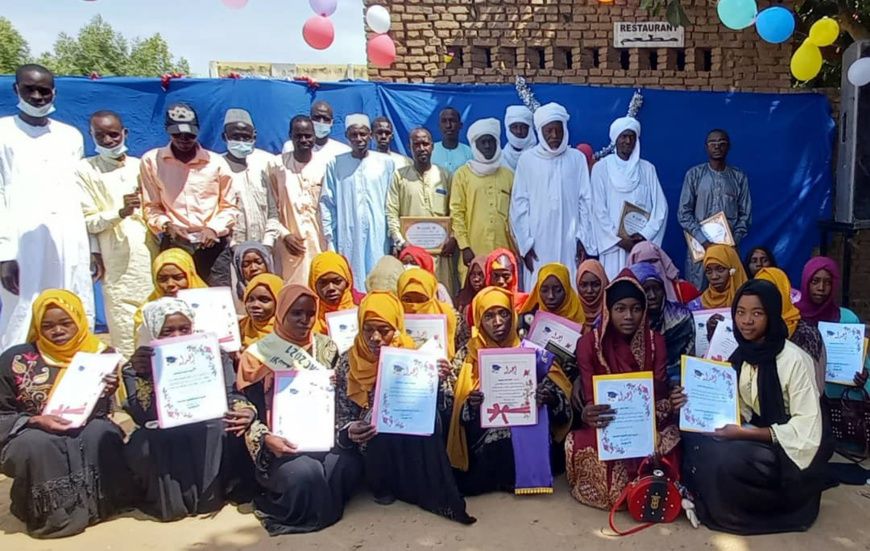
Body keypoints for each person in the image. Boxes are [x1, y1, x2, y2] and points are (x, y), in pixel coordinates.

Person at [679, 279, 832, 535]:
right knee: (693, 437)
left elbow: (806, 427)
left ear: (771, 315)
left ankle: (737, 511)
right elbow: (734, 404)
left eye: (757, 313)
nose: (746, 321)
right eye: (740, 312)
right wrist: (691, 404)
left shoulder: (795, 360)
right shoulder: (742, 355)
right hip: (752, 433)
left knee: (726, 459)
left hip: (792, 450)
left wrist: (744, 434)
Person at [333, 292, 476, 524]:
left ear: (398, 327)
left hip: (412, 431)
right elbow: (341, 413)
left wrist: (438, 379)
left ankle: (428, 488)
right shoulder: (348, 360)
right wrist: (350, 429)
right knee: (374, 418)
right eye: (368, 329)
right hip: (373, 440)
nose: (376, 337)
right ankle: (383, 486)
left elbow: (446, 403)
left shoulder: (418, 353)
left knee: (432, 420)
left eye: (384, 329)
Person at [0, 290, 132, 538]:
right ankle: (52, 515)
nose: (57, 331)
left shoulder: (99, 354)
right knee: (38, 444)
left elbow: (101, 412)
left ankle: (100, 505)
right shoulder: (15, 360)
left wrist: (107, 392)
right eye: (47, 325)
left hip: (84, 424)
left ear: (79, 320)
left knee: (99, 433)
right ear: (37, 326)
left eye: (65, 323)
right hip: (31, 430)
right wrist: (35, 420)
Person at [236, 285, 362, 535]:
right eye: (296, 313)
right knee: (305, 474)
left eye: (310, 313)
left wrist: (337, 388)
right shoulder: (258, 354)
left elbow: (340, 401)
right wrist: (266, 438)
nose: (305, 320)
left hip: (320, 436)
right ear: (281, 313)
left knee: (345, 466)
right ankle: (302, 508)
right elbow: (244, 405)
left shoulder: (327, 348)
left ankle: (317, 500)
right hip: (279, 442)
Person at [123, 297, 256, 521]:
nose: (177, 337)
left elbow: (231, 393)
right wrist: (143, 374)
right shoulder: (138, 363)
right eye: (167, 331)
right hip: (165, 433)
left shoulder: (214, 354)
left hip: (207, 426)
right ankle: (172, 498)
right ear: (153, 330)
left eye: (184, 329)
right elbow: (141, 415)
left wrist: (246, 411)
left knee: (220, 425)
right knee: (143, 442)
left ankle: (211, 495)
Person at [565, 270, 681, 510]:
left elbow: (659, 391)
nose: (629, 316)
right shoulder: (588, 344)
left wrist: (656, 410)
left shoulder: (654, 341)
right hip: (606, 424)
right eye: (620, 309)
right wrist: (589, 412)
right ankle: (638, 491)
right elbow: (590, 396)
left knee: (668, 442)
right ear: (608, 310)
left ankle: (649, 488)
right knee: (578, 443)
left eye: (636, 309)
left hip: (649, 422)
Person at [0, 64, 95, 351]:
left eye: (45, 90)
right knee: (22, 310)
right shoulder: (3, 133)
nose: (38, 96)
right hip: (21, 242)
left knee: (71, 301)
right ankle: (16, 381)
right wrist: (4, 253)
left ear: (54, 92)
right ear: (17, 90)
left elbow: (80, 194)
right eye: (31, 89)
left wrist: (92, 248)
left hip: (69, 238)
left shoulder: (70, 136)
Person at [447, 286, 572, 495]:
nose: (497, 322)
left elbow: (561, 401)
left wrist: (548, 397)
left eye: (503, 313)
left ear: (512, 316)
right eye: (489, 316)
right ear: (479, 319)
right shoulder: (468, 356)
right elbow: (451, 406)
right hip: (483, 435)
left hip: (525, 422)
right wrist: (471, 404)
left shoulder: (530, 351)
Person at [76, 110, 156, 358]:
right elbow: (88, 221)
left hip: (150, 255)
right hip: (116, 260)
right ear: (92, 136)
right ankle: (128, 392)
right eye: (101, 136)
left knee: (155, 327)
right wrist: (119, 212)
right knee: (125, 333)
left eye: (113, 134)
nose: (109, 141)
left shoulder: (141, 165)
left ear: (124, 133)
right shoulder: (85, 170)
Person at [140, 102, 239, 284]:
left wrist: (213, 229)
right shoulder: (152, 161)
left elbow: (230, 207)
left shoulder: (215, 163)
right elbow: (151, 206)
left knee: (216, 300)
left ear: (198, 131)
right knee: (177, 302)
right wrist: (167, 225)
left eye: (189, 135)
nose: (184, 140)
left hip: (212, 244)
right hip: (176, 243)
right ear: (167, 131)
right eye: (177, 135)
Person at [510, 103, 594, 287]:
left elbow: (585, 201)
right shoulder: (527, 160)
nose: (554, 136)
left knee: (569, 286)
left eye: (558, 130)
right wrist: (526, 245)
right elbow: (519, 205)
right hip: (538, 242)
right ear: (540, 132)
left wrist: (583, 239)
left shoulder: (576, 158)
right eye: (549, 131)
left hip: (570, 241)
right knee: (540, 287)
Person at [320, 114, 394, 293]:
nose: (359, 139)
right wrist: (330, 240)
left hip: (380, 235)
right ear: (347, 136)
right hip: (348, 237)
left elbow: (392, 202)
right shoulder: (335, 164)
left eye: (363, 134)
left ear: (370, 135)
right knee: (352, 280)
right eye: (354, 135)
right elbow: (327, 203)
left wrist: (393, 237)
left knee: (380, 280)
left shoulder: (386, 163)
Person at [590, 117, 668, 280]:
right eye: (623, 136)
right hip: (613, 248)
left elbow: (661, 208)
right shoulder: (601, 168)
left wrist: (645, 236)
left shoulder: (647, 169)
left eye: (632, 137)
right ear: (615, 139)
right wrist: (618, 240)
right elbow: (598, 210)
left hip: (641, 246)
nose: (628, 141)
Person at [678, 129, 752, 288]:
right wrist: (704, 241)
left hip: (728, 249)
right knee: (697, 294)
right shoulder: (694, 175)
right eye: (713, 143)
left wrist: (732, 242)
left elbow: (745, 216)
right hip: (700, 248)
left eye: (722, 143)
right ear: (706, 147)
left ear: (729, 147)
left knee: (730, 293)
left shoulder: (739, 177)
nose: (717, 146)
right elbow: (683, 213)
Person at [387, 128, 456, 294]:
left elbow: (455, 210)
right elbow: (391, 212)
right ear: (410, 147)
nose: (421, 148)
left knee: (441, 296)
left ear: (432, 147)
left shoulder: (444, 175)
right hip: (411, 256)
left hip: (440, 255)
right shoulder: (400, 177)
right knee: (415, 295)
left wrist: (452, 238)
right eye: (416, 144)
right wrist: (401, 242)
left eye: (425, 144)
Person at [450, 118, 516, 284]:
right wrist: (464, 247)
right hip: (472, 251)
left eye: (491, 141)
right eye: (482, 142)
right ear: (474, 145)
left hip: (503, 251)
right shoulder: (463, 174)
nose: (487, 146)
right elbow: (457, 213)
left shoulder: (508, 175)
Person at [266, 115, 329, 285]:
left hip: (320, 241)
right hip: (289, 246)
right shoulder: (276, 166)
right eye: (298, 136)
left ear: (314, 136)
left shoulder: (325, 166)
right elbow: (269, 208)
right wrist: (284, 235)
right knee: (292, 291)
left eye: (308, 135)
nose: (304, 140)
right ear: (290, 136)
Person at [795, 257, 870, 396]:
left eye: (827, 282)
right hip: (802, 397)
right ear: (806, 282)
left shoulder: (848, 318)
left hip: (841, 399)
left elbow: (864, 363)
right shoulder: (793, 318)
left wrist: (864, 374)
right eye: (815, 281)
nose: (821, 288)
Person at [755, 267, 826, 390]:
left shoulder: (806, 333)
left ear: (782, 291)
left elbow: (815, 387)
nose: (764, 299)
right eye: (758, 293)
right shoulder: (752, 331)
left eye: (771, 291)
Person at [630, 263, 695, 383]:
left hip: (679, 379)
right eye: (646, 290)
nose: (653, 296)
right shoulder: (627, 321)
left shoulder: (680, 317)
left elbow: (687, 362)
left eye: (657, 288)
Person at [133, 248, 207, 345]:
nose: (170, 284)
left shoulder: (212, 305)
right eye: (162, 279)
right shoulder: (145, 314)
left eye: (178, 278)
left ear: (190, 276)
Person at [221, 109, 271, 247]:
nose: (241, 141)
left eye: (245, 137)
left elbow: (273, 213)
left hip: (263, 249)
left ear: (254, 137)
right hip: (231, 250)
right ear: (224, 137)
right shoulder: (217, 168)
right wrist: (231, 246)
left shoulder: (264, 165)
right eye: (235, 137)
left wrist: (268, 244)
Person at [397, 268, 465, 359]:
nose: (414, 306)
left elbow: (462, 352)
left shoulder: (448, 315)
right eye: (407, 300)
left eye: (420, 300)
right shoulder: (391, 316)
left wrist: (450, 369)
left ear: (431, 296)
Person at [518, 263, 586, 340]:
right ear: (538, 291)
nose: (551, 296)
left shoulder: (580, 319)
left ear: (567, 290)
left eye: (557, 290)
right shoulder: (527, 321)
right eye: (544, 290)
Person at [627, 241, 700, 305]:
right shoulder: (628, 299)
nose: (650, 267)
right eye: (644, 263)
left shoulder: (685, 289)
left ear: (663, 261)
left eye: (654, 261)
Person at [309, 251, 362, 335]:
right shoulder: (306, 322)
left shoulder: (361, 316)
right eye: (323, 283)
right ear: (313, 285)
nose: (331, 288)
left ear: (347, 282)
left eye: (337, 281)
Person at [283, 100, 351, 164]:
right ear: (310, 119)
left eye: (326, 119)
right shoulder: (290, 147)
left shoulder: (343, 151)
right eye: (317, 117)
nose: (321, 122)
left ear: (332, 122)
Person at [687, 245, 748, 311]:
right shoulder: (695, 306)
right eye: (708, 271)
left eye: (720, 269)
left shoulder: (751, 301)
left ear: (733, 270)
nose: (714, 277)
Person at [239, 273, 284, 350]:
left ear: (279, 301)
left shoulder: (289, 332)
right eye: (250, 299)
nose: (255, 305)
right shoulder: (239, 328)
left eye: (264, 300)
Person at [483, 248, 529, 313]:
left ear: (514, 276)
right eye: (496, 276)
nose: (500, 281)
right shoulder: (481, 302)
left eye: (506, 276)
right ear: (489, 277)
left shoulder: (525, 304)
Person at [431, 107, 473, 176]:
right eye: (444, 121)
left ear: (460, 125)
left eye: (452, 121)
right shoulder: (431, 151)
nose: (448, 125)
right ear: (439, 126)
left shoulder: (470, 152)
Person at [576, 259, 609, 333]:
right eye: (584, 285)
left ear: (604, 283)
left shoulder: (612, 310)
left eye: (595, 285)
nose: (589, 290)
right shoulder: (573, 310)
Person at [501, 105, 537, 171]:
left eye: (523, 127)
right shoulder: (500, 158)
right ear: (508, 129)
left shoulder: (539, 157)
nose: (519, 131)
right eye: (514, 127)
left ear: (530, 129)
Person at [457, 254, 487, 325]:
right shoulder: (462, 297)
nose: (476, 279)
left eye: (480, 274)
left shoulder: (494, 296)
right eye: (473, 274)